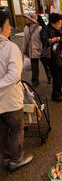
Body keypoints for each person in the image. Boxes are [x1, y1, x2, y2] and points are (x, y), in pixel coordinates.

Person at [0, 12, 33, 172]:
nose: (11, 28)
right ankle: (16, 159)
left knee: (2, 130)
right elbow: (14, 75)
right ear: (1, 28)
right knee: (16, 127)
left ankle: (6, 157)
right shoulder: (10, 47)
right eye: (8, 25)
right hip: (10, 99)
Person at [40, 13, 62, 102]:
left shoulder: (58, 29)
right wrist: (58, 39)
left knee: (61, 74)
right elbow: (46, 41)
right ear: (53, 23)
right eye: (59, 23)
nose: (60, 25)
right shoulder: (45, 30)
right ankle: (55, 95)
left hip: (59, 54)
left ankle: (59, 90)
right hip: (51, 56)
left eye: (61, 23)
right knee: (56, 75)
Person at [23, 12, 44, 87]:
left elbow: (43, 40)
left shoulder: (39, 28)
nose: (25, 19)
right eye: (25, 18)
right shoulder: (25, 29)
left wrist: (43, 50)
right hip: (32, 51)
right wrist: (24, 49)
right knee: (34, 66)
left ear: (32, 19)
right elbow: (25, 40)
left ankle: (49, 76)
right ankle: (35, 81)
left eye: (27, 18)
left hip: (40, 51)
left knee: (46, 65)